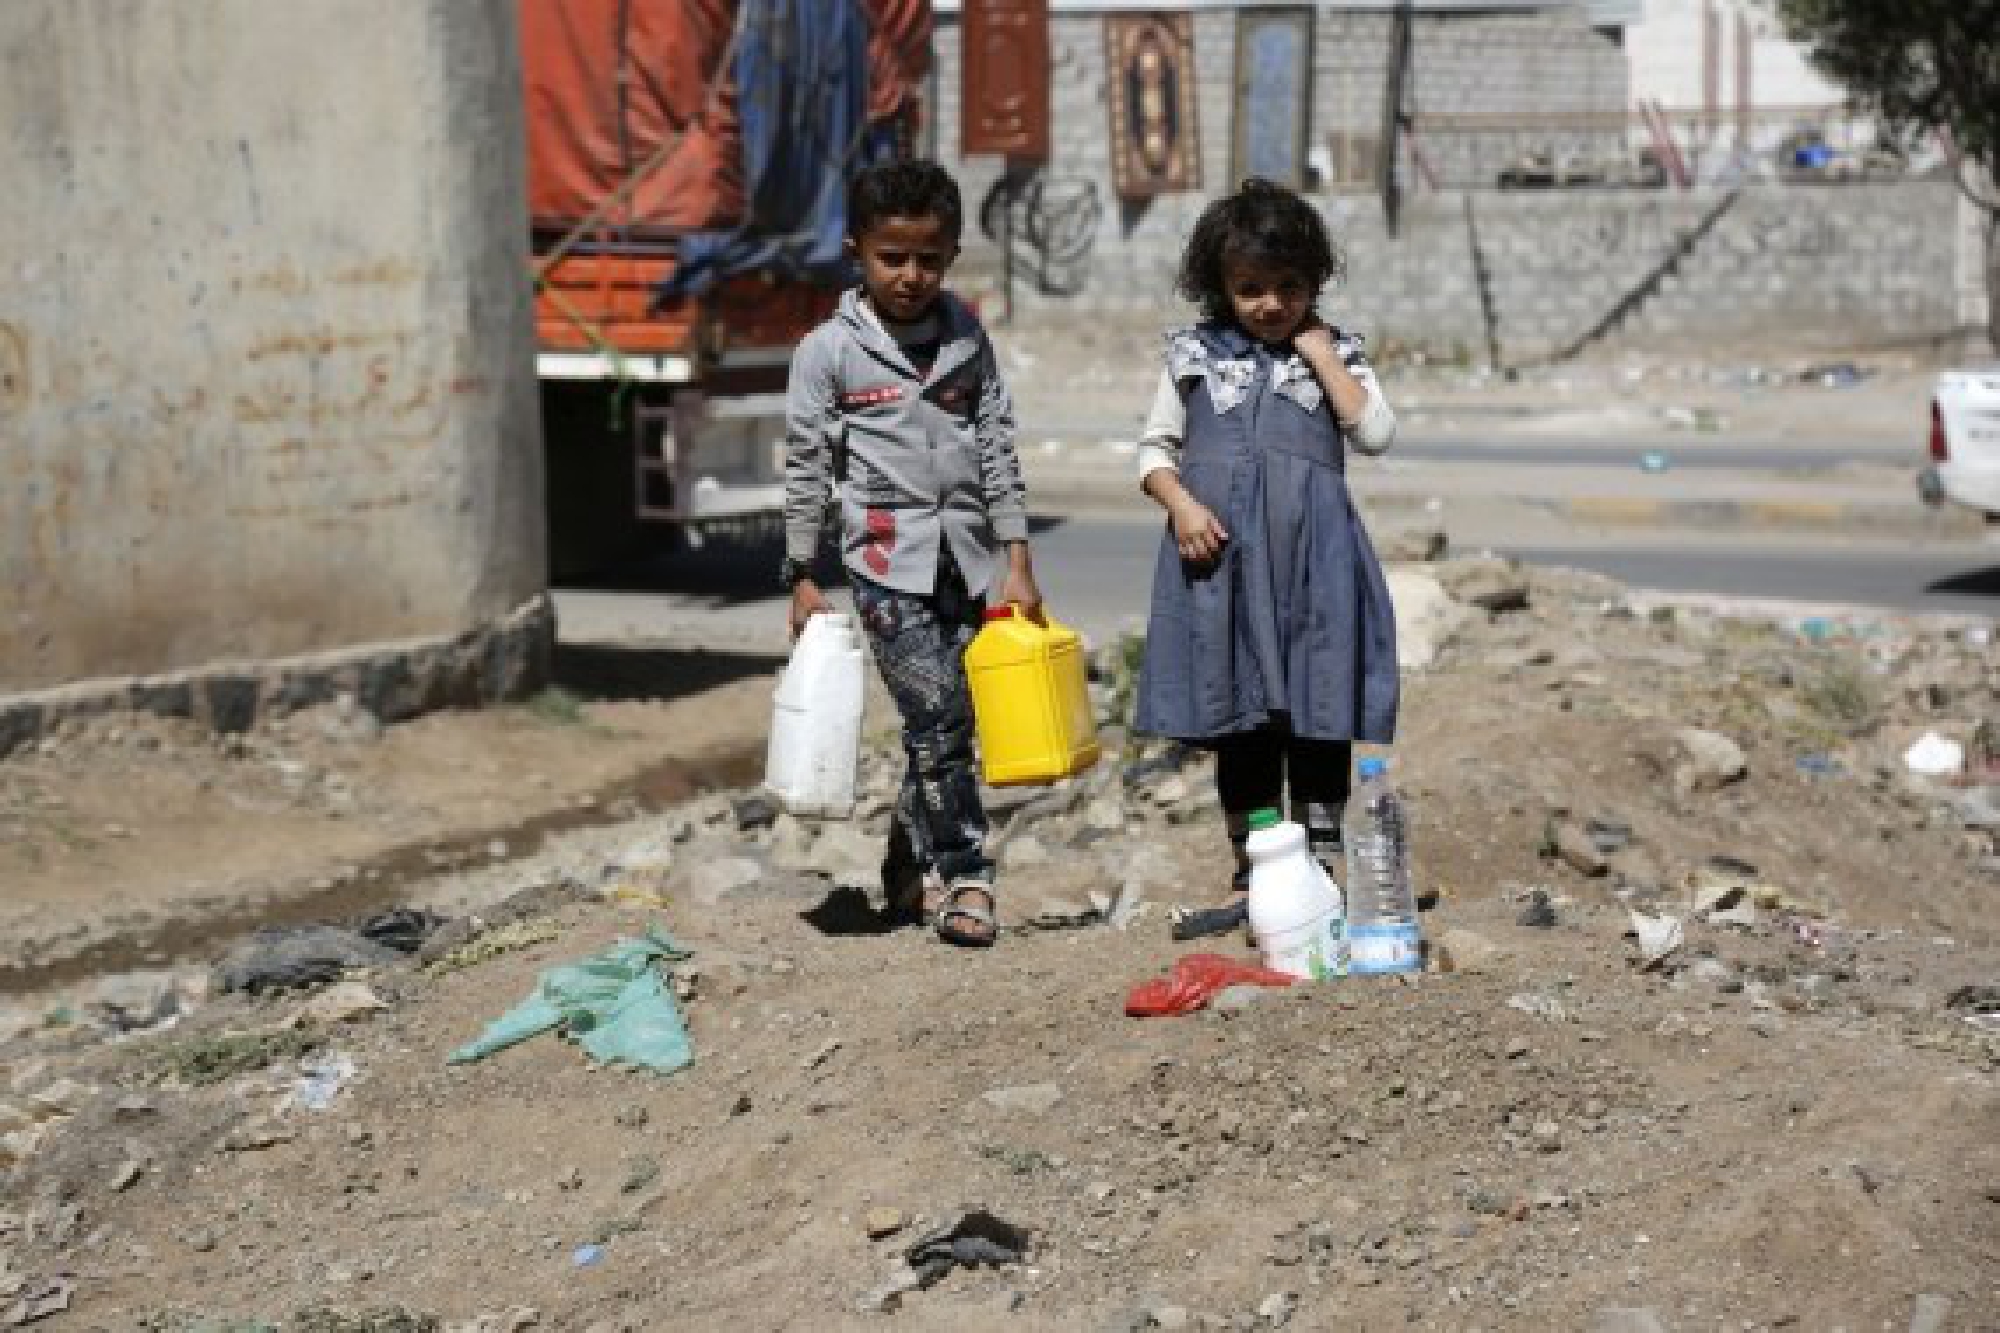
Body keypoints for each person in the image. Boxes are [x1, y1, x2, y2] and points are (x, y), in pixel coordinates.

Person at [781, 160, 1042, 948]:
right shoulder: (829, 352)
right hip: (883, 566)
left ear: (952, 254)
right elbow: (806, 465)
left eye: (929, 258)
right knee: (937, 715)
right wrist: (801, 573)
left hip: (967, 562)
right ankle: (967, 875)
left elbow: (996, 447)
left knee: (949, 721)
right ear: (857, 252)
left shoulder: (965, 339)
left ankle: (904, 861)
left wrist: (1017, 557)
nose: (911, 275)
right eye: (892, 257)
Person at [1132, 177, 1400, 940]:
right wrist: (1182, 505)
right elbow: (1153, 451)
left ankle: (1321, 874)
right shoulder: (1193, 356)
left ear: (1314, 281)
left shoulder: (1337, 351)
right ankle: (1260, 875)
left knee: (1318, 712)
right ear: (1220, 285)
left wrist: (1321, 353)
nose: (1271, 304)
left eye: (1289, 287)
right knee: (1241, 719)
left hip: (1316, 568)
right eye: (1250, 288)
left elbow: (1375, 433)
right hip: (1222, 567)